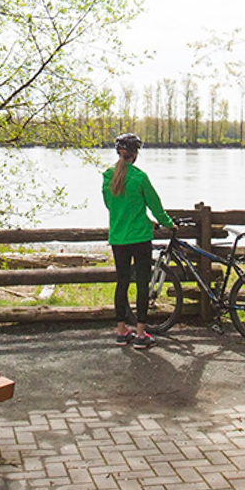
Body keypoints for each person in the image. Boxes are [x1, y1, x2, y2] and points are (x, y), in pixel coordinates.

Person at [102, 132, 173, 349]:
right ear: (135, 155)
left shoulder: (108, 177)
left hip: (118, 237)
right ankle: (141, 334)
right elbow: (155, 205)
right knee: (142, 284)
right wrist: (168, 223)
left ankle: (121, 331)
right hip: (140, 237)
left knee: (122, 283)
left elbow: (111, 205)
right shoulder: (140, 178)